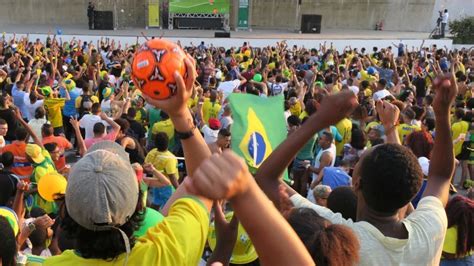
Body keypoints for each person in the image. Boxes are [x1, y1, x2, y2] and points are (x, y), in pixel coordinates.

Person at [255, 66, 458, 264]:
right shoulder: (430, 230)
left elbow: (266, 179)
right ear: (411, 194)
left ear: (357, 184)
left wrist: (318, 121)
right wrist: (442, 113)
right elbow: (440, 176)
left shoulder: (340, 238)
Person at [440, 195, 474, 265]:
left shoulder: (449, 230)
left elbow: (448, 255)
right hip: (469, 259)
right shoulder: (470, 226)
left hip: (450, 261)